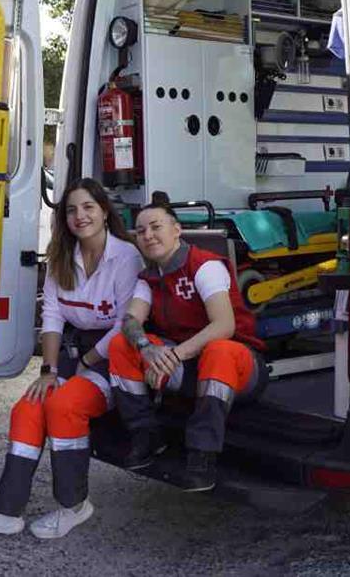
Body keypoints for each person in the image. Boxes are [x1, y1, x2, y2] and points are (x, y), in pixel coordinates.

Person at [0, 178, 143, 541]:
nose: (80, 216)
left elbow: (127, 324)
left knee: (63, 406)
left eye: (89, 207)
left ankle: (74, 506)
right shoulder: (61, 254)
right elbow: (54, 316)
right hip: (75, 352)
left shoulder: (126, 257)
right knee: (28, 408)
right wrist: (49, 369)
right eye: (72, 210)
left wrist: (88, 361)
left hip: (114, 356)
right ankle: (5, 512)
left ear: (105, 212)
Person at [109, 191, 265, 492]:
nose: (148, 235)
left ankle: (202, 456)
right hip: (191, 368)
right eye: (141, 231)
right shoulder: (149, 277)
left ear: (177, 230)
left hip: (239, 368)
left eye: (156, 227)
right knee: (121, 344)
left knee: (219, 350)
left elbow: (224, 325)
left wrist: (174, 355)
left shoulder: (204, 265)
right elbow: (131, 321)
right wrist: (147, 347)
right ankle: (146, 436)